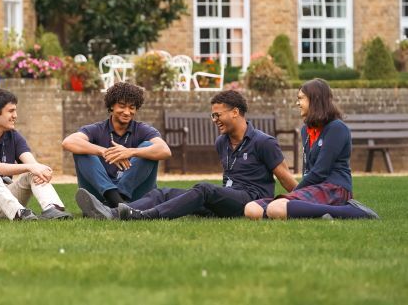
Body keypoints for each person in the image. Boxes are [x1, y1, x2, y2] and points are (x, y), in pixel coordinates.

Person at [75, 90, 298, 220]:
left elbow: (286, 180)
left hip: (250, 200)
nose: (215, 120)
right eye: (212, 116)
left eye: (217, 115)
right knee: (164, 192)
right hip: (227, 199)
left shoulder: (264, 142)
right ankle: (114, 212)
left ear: (235, 112)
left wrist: (308, 202)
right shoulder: (222, 141)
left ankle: (143, 216)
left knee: (203, 188)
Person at [244, 79, 379, 220]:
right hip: (314, 188)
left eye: (300, 98)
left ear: (315, 100)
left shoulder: (337, 128)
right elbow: (309, 170)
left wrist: (295, 192)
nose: (297, 103)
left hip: (335, 188)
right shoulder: (306, 131)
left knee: (276, 207)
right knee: (252, 209)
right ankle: (318, 213)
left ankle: (355, 211)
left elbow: (320, 171)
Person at [0, 89, 71, 221]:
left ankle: (53, 208)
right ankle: (19, 214)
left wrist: (40, 170)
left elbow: (32, 164)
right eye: (11, 111)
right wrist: (32, 167)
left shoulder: (13, 136)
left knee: (33, 172)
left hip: (5, 202)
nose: (15, 115)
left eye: (15, 110)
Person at [62, 82, 172, 207]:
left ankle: (117, 202)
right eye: (122, 106)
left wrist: (131, 152)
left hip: (134, 194)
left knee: (148, 147)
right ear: (112, 106)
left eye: (132, 107)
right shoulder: (96, 129)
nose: (127, 112)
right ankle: (116, 201)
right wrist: (103, 151)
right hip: (101, 193)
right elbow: (68, 142)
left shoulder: (143, 129)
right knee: (81, 149)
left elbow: (165, 150)